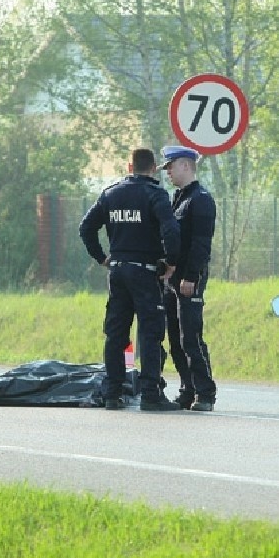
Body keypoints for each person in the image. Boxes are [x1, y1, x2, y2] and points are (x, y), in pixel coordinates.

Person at [79, 148, 182, 411]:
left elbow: (86, 227)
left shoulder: (111, 193)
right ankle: (150, 394)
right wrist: (171, 261)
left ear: (129, 166)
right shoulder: (156, 194)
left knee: (116, 333)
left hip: (117, 272)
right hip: (145, 271)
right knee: (150, 331)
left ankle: (112, 394)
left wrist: (102, 257)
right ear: (154, 167)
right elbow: (170, 229)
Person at [159, 145, 217, 411]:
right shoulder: (178, 198)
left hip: (189, 278)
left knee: (190, 337)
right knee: (175, 337)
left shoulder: (201, 199)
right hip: (173, 277)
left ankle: (205, 393)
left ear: (185, 165)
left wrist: (191, 276)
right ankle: (187, 389)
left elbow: (201, 244)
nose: (168, 172)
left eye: (170, 166)